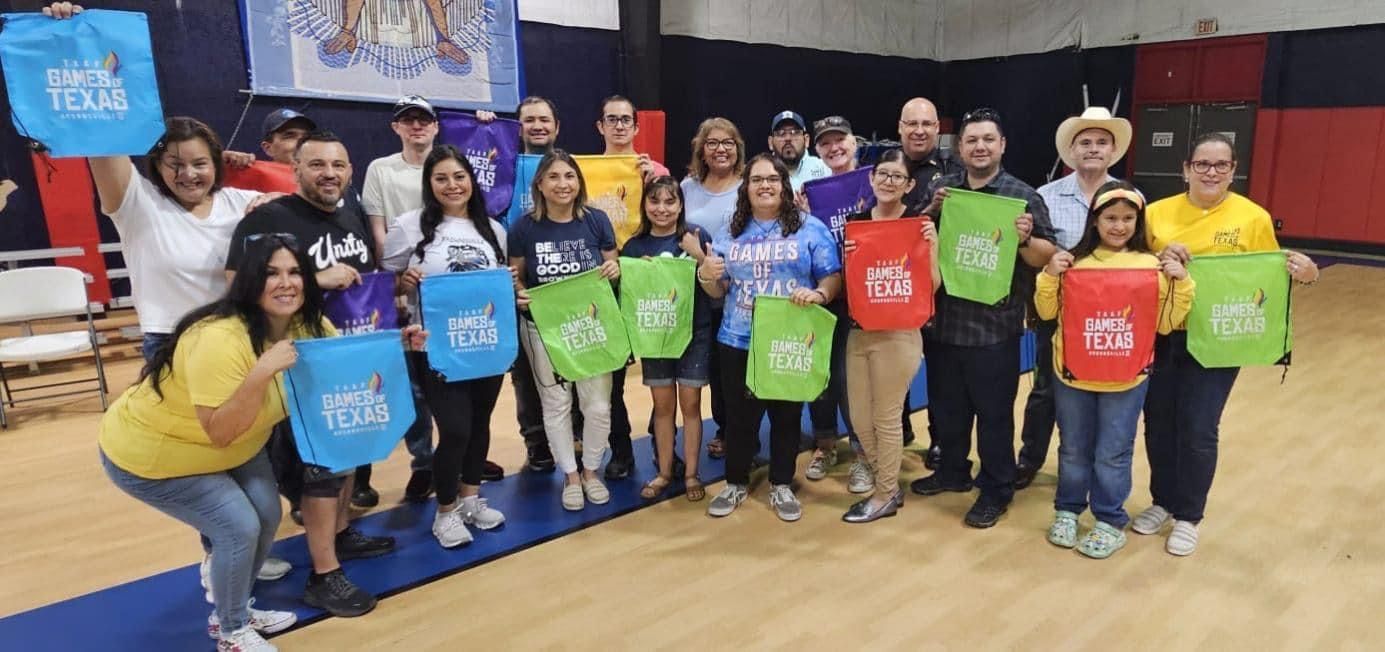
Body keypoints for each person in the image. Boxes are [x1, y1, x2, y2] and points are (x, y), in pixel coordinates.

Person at [227, 131, 395, 616]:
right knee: (318, 470)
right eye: (318, 164)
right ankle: (324, 574)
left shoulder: (351, 216)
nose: (330, 174)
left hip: (344, 357)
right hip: (292, 365)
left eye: (339, 165)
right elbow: (237, 288)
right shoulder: (268, 219)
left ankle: (340, 534)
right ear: (295, 169)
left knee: (345, 457)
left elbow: (364, 286)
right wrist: (316, 279)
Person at [1135, 133, 1320, 556]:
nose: (1211, 172)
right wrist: (1160, 256)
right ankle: (1162, 500)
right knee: (1159, 422)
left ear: (1233, 171)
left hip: (1218, 339)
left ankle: (1189, 515)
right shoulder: (1156, 214)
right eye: (1202, 164)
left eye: (1221, 165)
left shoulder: (1253, 218)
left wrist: (1306, 273)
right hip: (1162, 333)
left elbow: (1268, 276)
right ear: (1186, 169)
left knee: (1199, 427)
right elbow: (1134, 260)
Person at [910, 108, 1057, 529]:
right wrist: (931, 213)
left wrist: (1026, 236)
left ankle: (996, 488)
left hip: (995, 328)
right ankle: (953, 471)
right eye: (972, 140)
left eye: (988, 139)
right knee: (947, 409)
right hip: (945, 323)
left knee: (993, 416)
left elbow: (1046, 258)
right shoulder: (945, 190)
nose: (979, 147)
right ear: (960, 147)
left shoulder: (1023, 196)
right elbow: (913, 240)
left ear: (1002, 145)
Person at [1036, 180, 1194, 558]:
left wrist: (1182, 282)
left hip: (1127, 377)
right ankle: (1068, 510)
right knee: (1073, 449)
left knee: (1113, 452)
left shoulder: (1151, 267)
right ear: (1095, 221)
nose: (1118, 225)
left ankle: (1109, 518)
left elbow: (1167, 322)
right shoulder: (1074, 263)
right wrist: (1049, 275)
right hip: (1073, 373)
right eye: (1110, 217)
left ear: (1138, 223)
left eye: (1127, 218)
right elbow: (1046, 312)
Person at [381, 146, 515, 547]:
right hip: (436, 348)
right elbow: (383, 287)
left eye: (459, 176)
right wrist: (402, 285)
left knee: (479, 426)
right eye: (441, 178)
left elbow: (498, 286)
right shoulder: (408, 226)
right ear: (429, 184)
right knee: (454, 430)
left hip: (484, 343)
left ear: (471, 181)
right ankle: (446, 511)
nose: (452, 185)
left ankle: (472, 498)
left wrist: (508, 283)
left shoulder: (494, 229)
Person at [699, 153, 842, 522]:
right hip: (738, 338)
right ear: (745, 189)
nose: (765, 185)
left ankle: (781, 483)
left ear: (785, 186)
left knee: (786, 415)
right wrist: (706, 276)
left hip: (788, 338)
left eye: (772, 179)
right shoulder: (729, 233)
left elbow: (831, 275)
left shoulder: (811, 228)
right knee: (739, 417)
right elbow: (719, 290)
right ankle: (735, 482)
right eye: (756, 180)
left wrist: (821, 294)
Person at [1016, 107, 1133, 491]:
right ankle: (1029, 459)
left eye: (1101, 142)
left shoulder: (1130, 197)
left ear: (1113, 150)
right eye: (1085, 142)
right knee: (1046, 389)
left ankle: (1092, 465)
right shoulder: (1045, 196)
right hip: (1057, 313)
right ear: (1072, 149)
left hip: (1112, 317)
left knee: (1105, 394)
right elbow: (1033, 253)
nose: (1093, 149)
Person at [508, 149, 622, 511]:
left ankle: (591, 470)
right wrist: (518, 294)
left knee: (598, 406)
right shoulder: (524, 227)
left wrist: (614, 270)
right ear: (539, 184)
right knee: (556, 404)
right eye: (554, 177)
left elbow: (612, 265)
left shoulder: (597, 220)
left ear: (579, 182)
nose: (562, 184)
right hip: (543, 329)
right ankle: (570, 475)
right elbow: (517, 278)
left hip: (591, 327)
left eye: (569, 176)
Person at [839, 150, 941, 522]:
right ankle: (888, 486)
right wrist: (848, 256)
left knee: (885, 417)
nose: (889, 182)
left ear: (910, 185)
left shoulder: (919, 226)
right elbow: (850, 284)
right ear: (871, 178)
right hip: (860, 331)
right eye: (883, 174)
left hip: (899, 334)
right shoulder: (856, 224)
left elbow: (932, 286)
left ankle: (883, 494)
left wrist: (930, 248)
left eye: (898, 177)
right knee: (859, 419)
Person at [620, 177, 712, 501]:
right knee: (662, 406)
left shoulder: (697, 236)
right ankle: (663, 471)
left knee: (690, 405)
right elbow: (628, 298)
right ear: (644, 204)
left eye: (670, 202)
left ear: (681, 205)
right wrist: (635, 273)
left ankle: (691, 473)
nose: (662, 209)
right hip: (655, 335)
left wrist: (698, 255)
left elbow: (717, 285)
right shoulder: (634, 247)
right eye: (655, 201)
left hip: (694, 334)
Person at [896, 97, 963, 462]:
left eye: (926, 124)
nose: (919, 131)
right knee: (896, 364)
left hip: (941, 288)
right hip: (894, 285)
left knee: (940, 369)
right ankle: (899, 429)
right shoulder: (885, 167)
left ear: (938, 128)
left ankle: (939, 440)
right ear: (900, 128)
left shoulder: (959, 170)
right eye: (912, 124)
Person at [681, 117, 745, 460]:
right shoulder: (687, 188)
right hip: (694, 294)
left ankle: (734, 430)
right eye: (713, 143)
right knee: (701, 370)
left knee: (730, 370)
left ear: (737, 149)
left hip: (737, 295)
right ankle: (718, 426)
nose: (721, 149)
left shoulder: (750, 185)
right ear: (701, 150)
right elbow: (674, 229)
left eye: (728, 143)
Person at [803, 115, 861, 489]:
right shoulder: (812, 192)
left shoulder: (874, 182)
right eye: (826, 143)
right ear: (817, 149)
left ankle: (862, 451)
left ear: (854, 142)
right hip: (826, 292)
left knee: (852, 378)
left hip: (868, 295)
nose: (834, 147)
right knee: (821, 373)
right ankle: (825, 444)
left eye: (840, 140)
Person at [510, 95, 562, 474]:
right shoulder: (503, 170)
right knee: (525, 372)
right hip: (516, 282)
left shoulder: (568, 168)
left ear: (556, 127)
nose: (538, 126)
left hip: (563, 283)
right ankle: (536, 442)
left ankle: (572, 434)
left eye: (544, 119)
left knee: (570, 360)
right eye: (529, 120)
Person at [768, 110, 832, 192]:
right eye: (781, 133)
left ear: (806, 140)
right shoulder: (761, 173)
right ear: (770, 142)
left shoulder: (825, 168)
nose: (788, 138)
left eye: (795, 132)